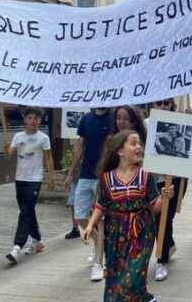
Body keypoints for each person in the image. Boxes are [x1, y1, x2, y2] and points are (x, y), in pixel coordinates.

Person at [83, 130, 173, 302]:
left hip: (141, 232)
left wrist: (165, 197)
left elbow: (155, 207)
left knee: (132, 277)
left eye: (139, 143)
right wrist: (90, 225)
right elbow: (100, 205)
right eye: (133, 143)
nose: (138, 147)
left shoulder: (146, 175)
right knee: (115, 278)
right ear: (120, 151)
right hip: (114, 235)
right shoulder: (106, 178)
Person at [65, 107, 112, 281]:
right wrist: (71, 173)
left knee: (99, 220)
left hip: (104, 175)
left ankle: (98, 264)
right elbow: (80, 148)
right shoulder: (85, 119)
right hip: (85, 175)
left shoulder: (114, 118)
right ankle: (98, 242)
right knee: (80, 217)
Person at [5, 107, 54, 264]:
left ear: (40, 120)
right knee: (27, 210)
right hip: (20, 178)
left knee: (25, 211)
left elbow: (48, 158)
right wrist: (6, 148)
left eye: (36, 118)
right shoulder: (18, 136)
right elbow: (8, 156)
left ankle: (17, 247)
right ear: (25, 119)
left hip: (35, 179)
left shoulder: (43, 138)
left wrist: (51, 177)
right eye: (30, 118)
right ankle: (38, 241)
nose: (33, 121)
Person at [146, 99, 185, 282]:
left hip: (174, 180)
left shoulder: (180, 123)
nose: (163, 107)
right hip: (153, 181)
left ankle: (162, 259)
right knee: (158, 219)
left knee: (165, 218)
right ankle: (166, 249)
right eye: (159, 103)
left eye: (167, 103)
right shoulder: (147, 125)